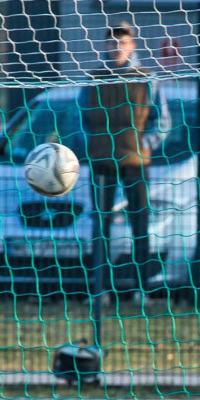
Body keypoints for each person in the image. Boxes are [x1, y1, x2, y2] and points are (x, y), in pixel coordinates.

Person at [82, 22, 158, 304]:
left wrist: (145, 144)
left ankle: (141, 290)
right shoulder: (94, 79)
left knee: (140, 223)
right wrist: (89, 145)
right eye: (112, 43)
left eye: (122, 42)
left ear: (132, 45)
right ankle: (100, 290)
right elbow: (82, 119)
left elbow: (161, 121)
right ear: (105, 46)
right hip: (101, 162)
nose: (117, 47)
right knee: (99, 226)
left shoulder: (146, 77)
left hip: (135, 163)